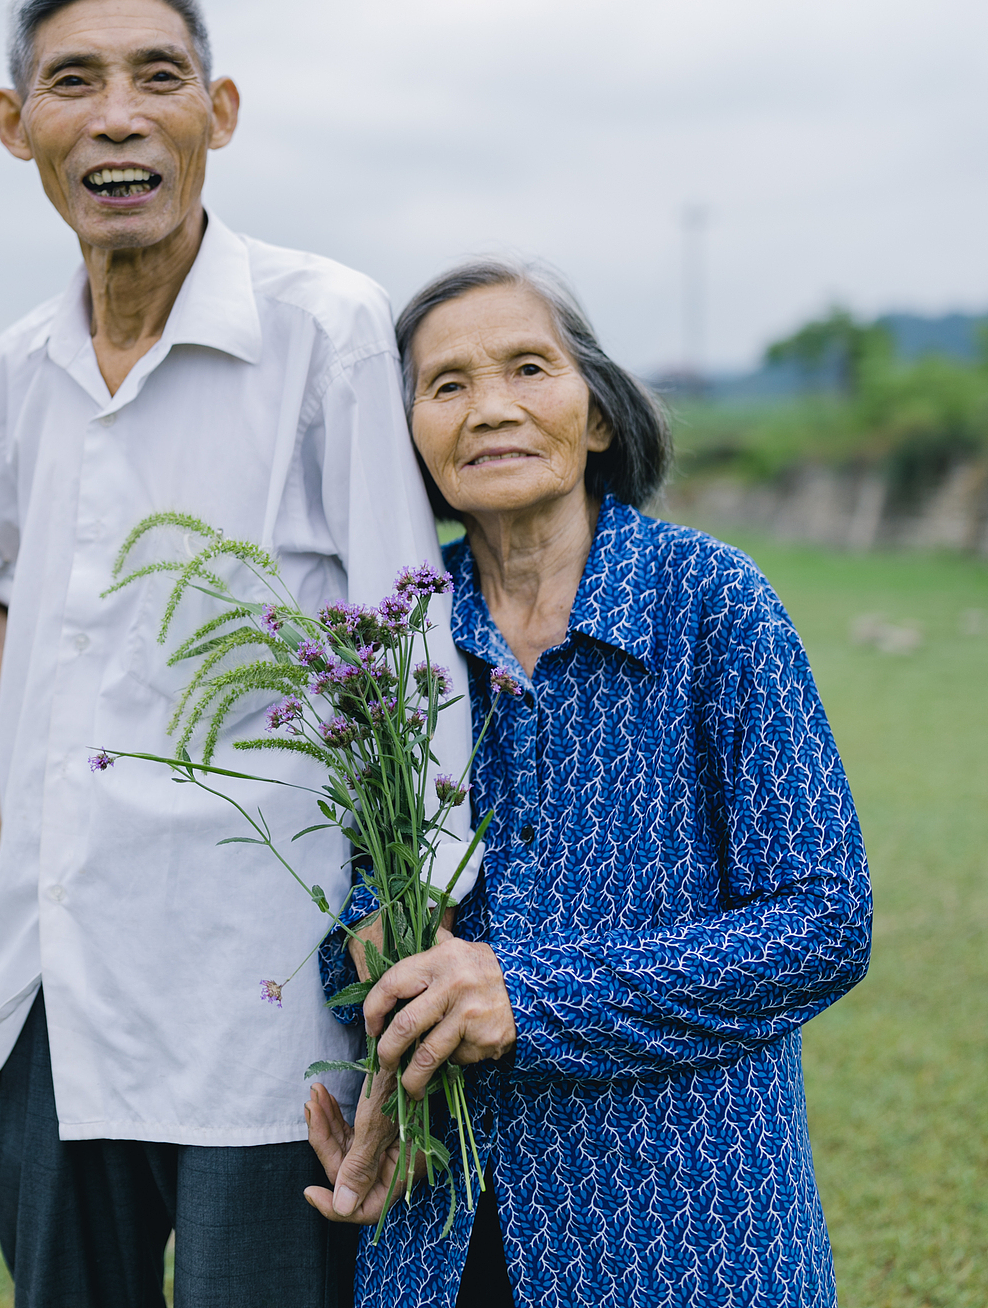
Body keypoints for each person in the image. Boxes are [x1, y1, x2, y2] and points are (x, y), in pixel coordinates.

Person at [0, 0, 477, 1308]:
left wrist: (409, 958)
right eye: (74, 83)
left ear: (218, 112)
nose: (118, 115)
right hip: (58, 971)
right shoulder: (10, 376)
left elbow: (415, 654)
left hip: (266, 988)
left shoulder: (322, 329)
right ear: (15, 125)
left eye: (157, 78)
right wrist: (3, 738)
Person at [306, 258, 872, 1307]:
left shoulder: (711, 603)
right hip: (439, 1226)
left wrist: (525, 994)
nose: (491, 409)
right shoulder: (392, 637)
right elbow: (354, 907)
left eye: (528, 367)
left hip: (688, 1224)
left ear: (599, 415)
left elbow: (824, 922)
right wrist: (368, 963)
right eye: (445, 385)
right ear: (409, 441)